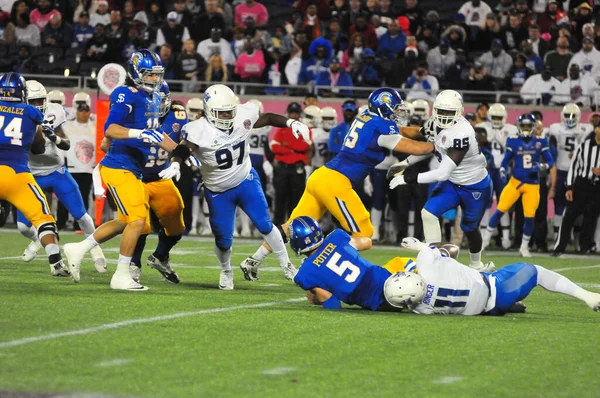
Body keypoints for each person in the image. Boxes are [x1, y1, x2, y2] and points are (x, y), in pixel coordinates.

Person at [241, 88, 436, 279]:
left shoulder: (368, 118)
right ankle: (318, 260)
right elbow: (417, 149)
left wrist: (422, 130)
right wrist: (440, 143)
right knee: (365, 235)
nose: (397, 113)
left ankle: (253, 260)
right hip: (336, 182)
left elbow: (403, 131)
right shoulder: (383, 129)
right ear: (383, 108)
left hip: (321, 176)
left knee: (291, 226)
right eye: (394, 108)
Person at [159, 84, 305, 289]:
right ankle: (226, 270)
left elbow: (268, 118)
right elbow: (184, 149)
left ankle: (287, 265)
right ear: (210, 111)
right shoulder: (198, 129)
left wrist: (291, 122)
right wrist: (175, 162)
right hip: (218, 192)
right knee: (223, 240)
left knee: (264, 224)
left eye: (230, 111)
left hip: (246, 180)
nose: (228, 116)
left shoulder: (242, 114)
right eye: (223, 112)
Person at [63, 49, 177, 291]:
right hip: (119, 166)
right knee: (138, 220)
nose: (155, 80)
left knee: (125, 221)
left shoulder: (153, 99)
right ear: (136, 73)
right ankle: (121, 275)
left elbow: (158, 135)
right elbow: (110, 129)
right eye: (149, 75)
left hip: (132, 167)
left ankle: (78, 248)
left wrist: (179, 157)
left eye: (157, 75)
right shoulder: (126, 93)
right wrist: (138, 134)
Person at [388, 90, 494, 272]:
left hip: (474, 185)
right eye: (441, 111)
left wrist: (407, 178)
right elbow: (433, 149)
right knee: (428, 213)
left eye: (449, 112)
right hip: (453, 183)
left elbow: (442, 173)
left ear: (459, 112)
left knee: (469, 227)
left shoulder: (462, 133)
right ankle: (435, 262)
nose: (444, 117)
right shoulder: (434, 124)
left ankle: (477, 264)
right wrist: (405, 163)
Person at [17, 80, 105, 272]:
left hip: (56, 171)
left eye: (40, 100)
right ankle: (41, 240)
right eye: (32, 101)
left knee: (82, 216)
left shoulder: (54, 111)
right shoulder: (17, 116)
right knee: (23, 227)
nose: (37, 106)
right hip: (30, 175)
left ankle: (96, 250)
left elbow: (65, 144)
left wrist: (54, 137)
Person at [387, 237, 600, 315]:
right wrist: (421, 246)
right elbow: (452, 249)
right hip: (497, 288)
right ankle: (587, 296)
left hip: (484, 309)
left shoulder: (420, 309)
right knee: (537, 272)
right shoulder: (426, 264)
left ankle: (512, 305)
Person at [0, 73, 69, 277]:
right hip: (17, 175)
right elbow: (38, 148)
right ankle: (56, 263)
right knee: (43, 218)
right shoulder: (30, 111)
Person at [119, 82, 187, 284]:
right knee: (141, 224)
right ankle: (133, 264)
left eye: (162, 100)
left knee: (177, 225)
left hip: (161, 175)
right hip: (135, 176)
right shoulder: (135, 115)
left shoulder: (178, 115)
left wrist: (183, 156)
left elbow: (185, 139)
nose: (159, 104)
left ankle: (160, 257)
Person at [483, 114, 555, 257]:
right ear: (519, 126)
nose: (526, 129)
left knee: (529, 217)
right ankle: (484, 241)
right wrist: (503, 169)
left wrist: (542, 166)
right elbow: (505, 161)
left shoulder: (541, 141)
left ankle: (524, 246)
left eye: (529, 126)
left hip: (532, 185)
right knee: (499, 210)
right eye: (524, 126)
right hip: (515, 182)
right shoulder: (513, 141)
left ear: (534, 127)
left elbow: (551, 162)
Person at [552, 121, 600, 255]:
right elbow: (574, 167)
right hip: (582, 184)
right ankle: (559, 246)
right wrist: (569, 187)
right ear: (596, 129)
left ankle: (585, 247)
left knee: (591, 218)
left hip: (598, 187)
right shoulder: (583, 146)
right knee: (569, 216)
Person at [476, 103, 518, 248]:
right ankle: (483, 238)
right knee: (485, 204)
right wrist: (486, 139)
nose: (497, 120)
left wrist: (501, 140)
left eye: (499, 117)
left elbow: (514, 149)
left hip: (503, 169)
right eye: (494, 117)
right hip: (486, 170)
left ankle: (505, 238)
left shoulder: (511, 129)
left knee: (504, 203)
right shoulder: (482, 127)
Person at [548, 103, 593, 238]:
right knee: (559, 205)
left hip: (578, 173)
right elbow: (552, 152)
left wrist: (579, 154)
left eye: (573, 115)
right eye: (568, 115)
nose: (570, 118)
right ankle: (557, 237)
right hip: (561, 170)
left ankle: (577, 238)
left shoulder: (586, 129)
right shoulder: (555, 129)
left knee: (579, 207)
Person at [271, 102, 311, 226]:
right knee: (280, 197)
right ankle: (277, 226)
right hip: (283, 168)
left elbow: (305, 146)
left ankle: (293, 225)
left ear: (299, 114)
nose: (293, 115)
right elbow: (274, 147)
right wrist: (294, 149)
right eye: (292, 112)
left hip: (297, 168)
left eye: (296, 113)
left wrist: (286, 146)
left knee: (296, 198)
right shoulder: (282, 128)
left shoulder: (305, 128)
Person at [61, 102, 96, 231]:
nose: (83, 113)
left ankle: (80, 225)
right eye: (81, 110)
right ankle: (61, 222)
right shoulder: (67, 126)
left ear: (89, 112)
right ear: (76, 112)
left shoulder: (95, 127)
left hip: (88, 168)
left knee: (84, 196)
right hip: (70, 166)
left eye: (86, 111)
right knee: (65, 194)